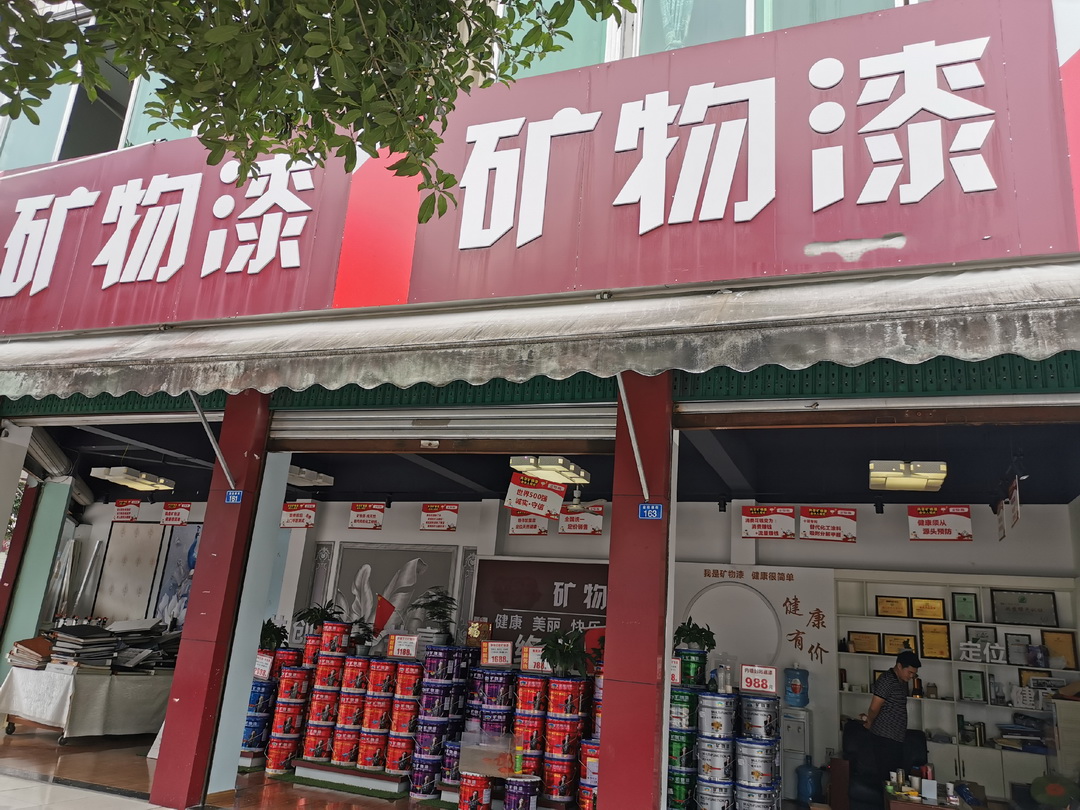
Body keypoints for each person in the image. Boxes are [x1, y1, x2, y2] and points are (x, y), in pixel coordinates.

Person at [864, 649, 920, 786]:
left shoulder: (900, 681)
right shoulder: (887, 680)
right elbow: (874, 707)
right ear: (899, 666)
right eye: (910, 672)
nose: (911, 676)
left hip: (896, 738)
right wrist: (869, 721)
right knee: (886, 779)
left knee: (895, 779)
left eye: (914, 674)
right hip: (884, 737)